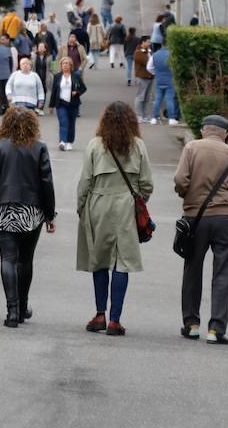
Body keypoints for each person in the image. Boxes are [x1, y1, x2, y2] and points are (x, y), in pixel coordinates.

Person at [174, 114, 228, 344]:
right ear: (225, 134)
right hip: (226, 220)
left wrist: (187, 194)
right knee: (223, 273)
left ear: (203, 130)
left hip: (196, 219)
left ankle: (192, 324)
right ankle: (216, 330)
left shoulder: (192, 148)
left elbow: (180, 179)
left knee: (192, 269)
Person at [77, 101, 154, 337]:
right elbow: (147, 184)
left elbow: (85, 182)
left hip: (98, 205)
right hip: (126, 207)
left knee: (99, 259)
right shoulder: (138, 145)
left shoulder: (94, 145)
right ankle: (115, 320)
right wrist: (138, 199)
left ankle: (99, 313)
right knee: (122, 262)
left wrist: (82, 208)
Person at [0, 107, 56, 328]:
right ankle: (22, 307)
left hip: (3, 206)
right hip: (31, 210)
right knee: (25, 260)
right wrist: (50, 214)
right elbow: (46, 183)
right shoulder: (39, 148)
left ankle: (11, 311)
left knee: (8, 259)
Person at [48, 56, 84, 150]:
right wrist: (51, 106)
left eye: (67, 63)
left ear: (71, 65)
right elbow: (54, 92)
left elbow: (83, 88)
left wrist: (76, 92)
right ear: (61, 65)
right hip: (61, 103)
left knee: (71, 123)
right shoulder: (57, 77)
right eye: (63, 63)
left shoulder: (76, 76)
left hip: (73, 104)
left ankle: (69, 142)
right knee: (63, 122)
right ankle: (62, 141)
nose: (65, 65)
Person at [150, 42, 180, 125]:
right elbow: (176, 67)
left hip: (159, 80)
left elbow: (149, 67)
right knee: (170, 99)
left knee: (158, 99)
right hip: (170, 80)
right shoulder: (172, 55)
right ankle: (171, 118)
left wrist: (155, 73)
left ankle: (154, 118)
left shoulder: (155, 55)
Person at [0, 34, 15, 114]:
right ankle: (6, 108)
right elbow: (11, 62)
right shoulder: (7, 50)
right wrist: (10, 71)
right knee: (6, 91)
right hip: (6, 74)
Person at [133, 37, 156, 121]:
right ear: (143, 42)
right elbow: (148, 62)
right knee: (140, 97)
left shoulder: (149, 51)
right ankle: (139, 115)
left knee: (146, 98)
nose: (149, 44)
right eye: (148, 42)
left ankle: (145, 115)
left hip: (150, 77)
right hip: (142, 77)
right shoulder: (138, 52)